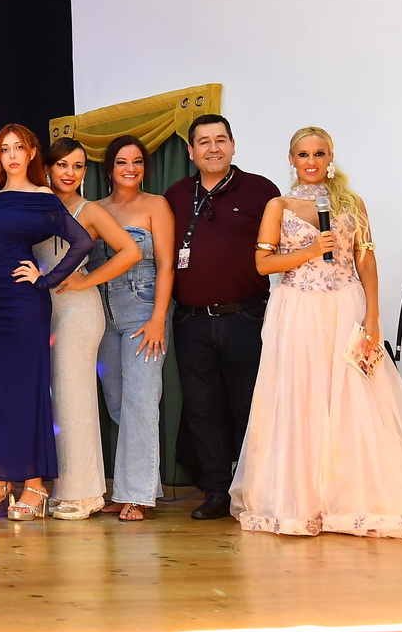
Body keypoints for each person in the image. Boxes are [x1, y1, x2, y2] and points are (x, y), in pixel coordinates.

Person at [233, 127, 402, 546]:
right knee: (301, 396)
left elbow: (365, 261)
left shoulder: (352, 203)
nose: (311, 161)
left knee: (353, 397)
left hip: (345, 305)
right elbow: (263, 264)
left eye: (319, 153)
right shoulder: (278, 205)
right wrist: (311, 251)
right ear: (291, 159)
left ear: (330, 157)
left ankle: (351, 497)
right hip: (297, 309)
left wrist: (374, 315)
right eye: (303, 154)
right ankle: (300, 497)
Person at [0, 124, 92, 520]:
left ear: (32, 152)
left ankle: (34, 486)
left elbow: (83, 241)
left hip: (25, 305)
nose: (12, 155)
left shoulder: (44, 197)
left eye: (18, 147)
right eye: (5, 149)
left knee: (26, 391)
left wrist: (47, 279)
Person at [164, 114, 279, 520]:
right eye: (204, 141)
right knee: (201, 409)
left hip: (246, 318)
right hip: (191, 321)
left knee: (250, 406)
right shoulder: (176, 195)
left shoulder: (262, 191)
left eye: (220, 140)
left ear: (232, 145)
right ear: (191, 151)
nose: (213, 148)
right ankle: (216, 490)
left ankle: (257, 489)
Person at [42, 138, 141, 519]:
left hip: (78, 311)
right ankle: (68, 487)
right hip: (42, 311)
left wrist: (86, 280)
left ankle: (81, 493)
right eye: (62, 165)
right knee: (54, 402)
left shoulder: (91, 210)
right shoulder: (37, 203)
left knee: (73, 398)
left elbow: (131, 252)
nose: (70, 173)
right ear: (48, 168)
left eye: (78, 166)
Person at [95, 136, 176, 520]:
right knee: (118, 403)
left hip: (143, 311)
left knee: (142, 402)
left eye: (137, 162)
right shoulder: (95, 209)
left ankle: (138, 495)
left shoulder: (156, 205)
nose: (131, 169)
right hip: (102, 314)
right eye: (122, 162)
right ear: (109, 168)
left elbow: (167, 265)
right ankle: (129, 488)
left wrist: (158, 318)